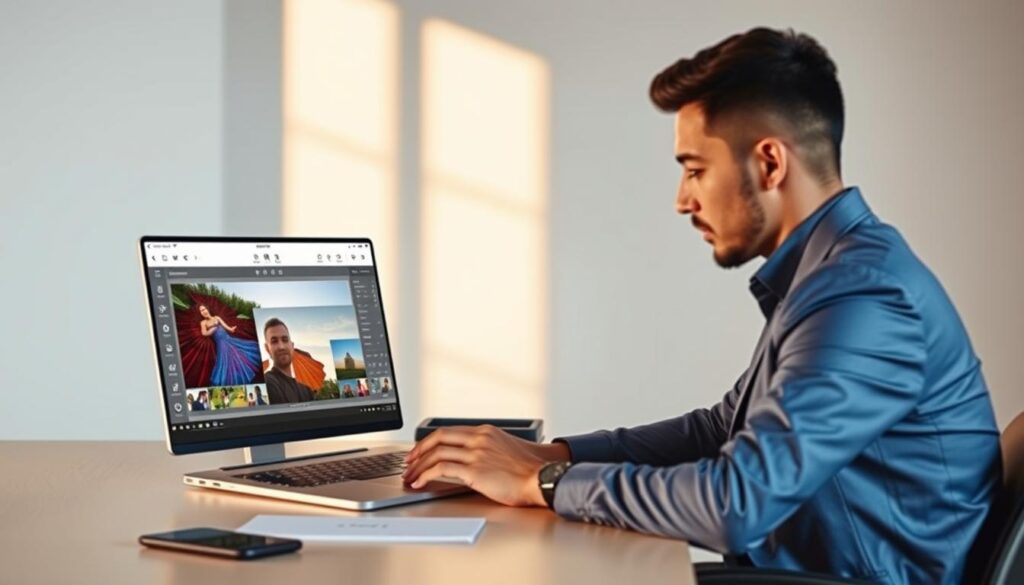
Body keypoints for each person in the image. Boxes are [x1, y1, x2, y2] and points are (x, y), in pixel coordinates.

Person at [401, 28, 1000, 585]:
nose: (682, 200)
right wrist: (552, 454)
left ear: (769, 163)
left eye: (695, 170)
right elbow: (720, 429)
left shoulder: (865, 296)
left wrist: (543, 482)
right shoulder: (830, 274)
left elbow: (737, 502)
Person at [198, 304, 261, 386]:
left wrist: (231, 329)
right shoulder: (203, 322)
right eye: (201, 311)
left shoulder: (217, 317)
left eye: (204, 309)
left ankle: (243, 371)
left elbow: (226, 326)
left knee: (239, 355)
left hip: (228, 339)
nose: (203, 311)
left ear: (207, 309)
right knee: (225, 361)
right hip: (221, 344)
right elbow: (204, 333)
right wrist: (212, 329)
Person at [262, 318, 314, 404]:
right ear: (267, 349)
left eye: (285, 340)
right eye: (274, 341)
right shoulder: (268, 382)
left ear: (292, 346)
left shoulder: (305, 387)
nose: (281, 346)